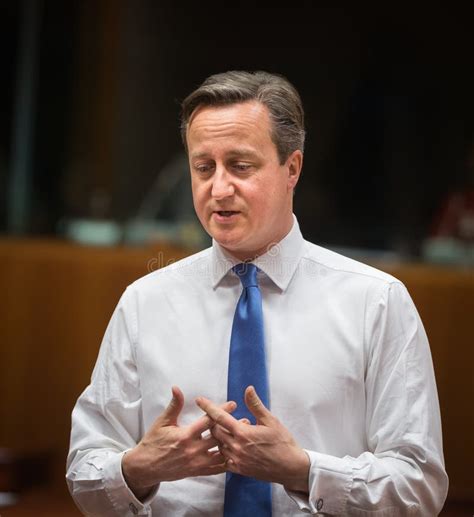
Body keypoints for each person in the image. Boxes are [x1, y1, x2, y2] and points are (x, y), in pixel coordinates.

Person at [66, 71, 448, 516]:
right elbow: (84, 471)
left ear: (293, 169)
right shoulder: (144, 303)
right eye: (203, 167)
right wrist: (138, 468)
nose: (219, 188)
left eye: (240, 166)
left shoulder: (377, 302)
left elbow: (419, 487)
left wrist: (305, 472)